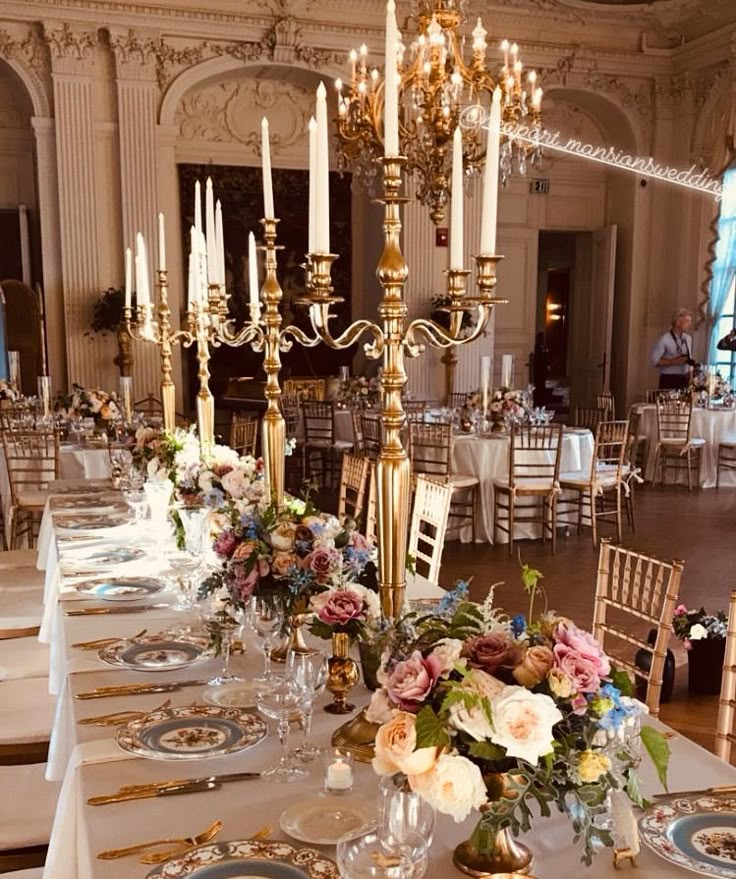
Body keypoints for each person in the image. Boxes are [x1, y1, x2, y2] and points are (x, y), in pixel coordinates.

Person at [650, 308, 696, 390]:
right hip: (669, 380)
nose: (690, 324)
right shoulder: (665, 339)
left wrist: (691, 377)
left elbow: (690, 357)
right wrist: (674, 361)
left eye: (690, 321)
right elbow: (654, 361)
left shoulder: (688, 338)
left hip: (685, 379)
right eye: (687, 321)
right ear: (678, 322)